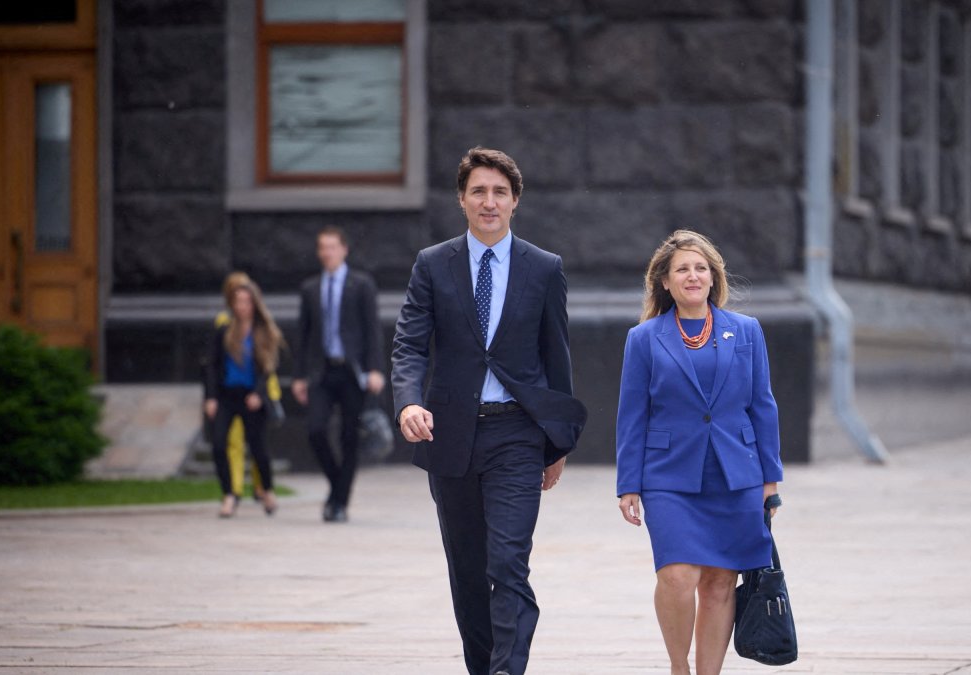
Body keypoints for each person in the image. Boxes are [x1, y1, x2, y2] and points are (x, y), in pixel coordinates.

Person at [390, 146, 586, 675]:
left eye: (500, 192)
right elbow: (409, 344)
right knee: (469, 573)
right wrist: (409, 400)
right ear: (462, 199)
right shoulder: (434, 264)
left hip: (517, 436)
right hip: (450, 436)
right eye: (479, 190)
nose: (489, 201)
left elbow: (556, 356)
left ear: (515, 201)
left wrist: (557, 441)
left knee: (508, 564)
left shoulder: (544, 269)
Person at [615, 230, 783, 675]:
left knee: (720, 582)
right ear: (665, 283)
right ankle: (679, 667)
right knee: (677, 576)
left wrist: (771, 479)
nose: (693, 275)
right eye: (682, 269)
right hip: (668, 475)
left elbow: (762, 405)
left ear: (713, 278)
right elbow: (633, 414)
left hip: (736, 474)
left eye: (701, 268)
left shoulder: (746, 331)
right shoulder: (644, 338)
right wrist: (628, 483)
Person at [292, 226, 385, 523]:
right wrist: (298, 376)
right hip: (322, 371)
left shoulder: (361, 284)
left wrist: (375, 369)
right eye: (322, 248)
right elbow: (303, 335)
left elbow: (373, 329)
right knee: (315, 430)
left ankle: (339, 503)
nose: (327, 253)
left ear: (344, 249)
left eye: (332, 247)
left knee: (349, 436)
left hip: (352, 371)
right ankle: (337, 486)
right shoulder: (310, 288)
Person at [204, 279, 284, 518]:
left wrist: (259, 394)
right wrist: (211, 397)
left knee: (258, 448)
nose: (242, 306)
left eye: (247, 301)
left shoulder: (263, 331)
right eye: (238, 301)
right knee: (219, 444)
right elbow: (212, 365)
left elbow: (268, 367)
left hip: (251, 397)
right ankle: (229, 494)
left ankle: (267, 490)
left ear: (255, 303)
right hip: (227, 395)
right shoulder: (224, 330)